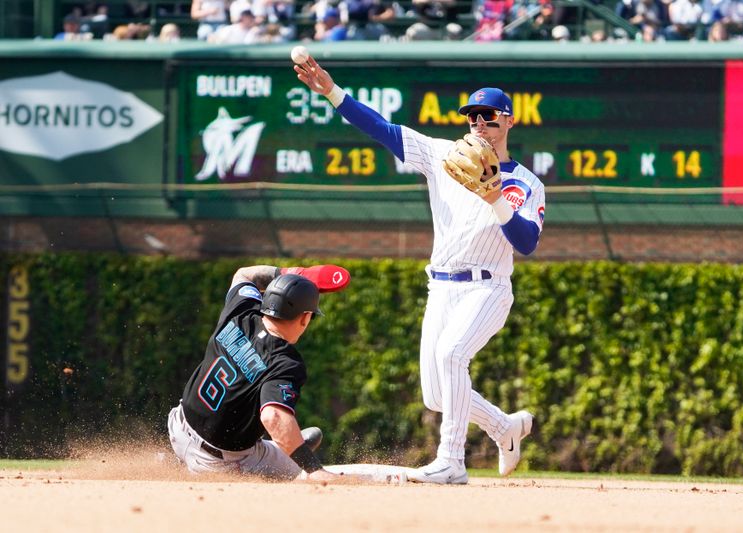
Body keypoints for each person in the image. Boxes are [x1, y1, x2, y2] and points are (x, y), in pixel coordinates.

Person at [294, 57, 543, 484]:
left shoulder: (525, 183)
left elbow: (527, 243)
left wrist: (496, 197)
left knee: (452, 356)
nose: (478, 123)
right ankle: (505, 427)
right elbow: (383, 130)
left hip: (487, 287)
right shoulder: (444, 155)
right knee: (436, 394)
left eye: (488, 116)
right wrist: (333, 93)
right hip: (441, 287)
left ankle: (452, 462)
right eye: (471, 116)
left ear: (509, 120)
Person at [167, 265, 355, 482]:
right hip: (218, 464)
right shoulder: (284, 361)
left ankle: (285, 443)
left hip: (177, 427)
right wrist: (313, 469)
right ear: (304, 318)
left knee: (289, 441)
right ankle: (290, 449)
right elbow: (273, 416)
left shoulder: (240, 310)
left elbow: (244, 275)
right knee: (298, 471)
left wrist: (287, 272)